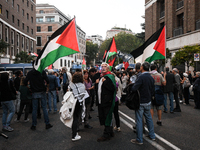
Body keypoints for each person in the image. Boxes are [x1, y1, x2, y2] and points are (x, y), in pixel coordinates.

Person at [131, 62, 155, 145]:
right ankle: (152, 135)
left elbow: (134, 88)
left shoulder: (141, 77)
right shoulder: (151, 77)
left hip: (140, 101)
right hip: (148, 101)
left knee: (139, 120)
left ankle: (139, 139)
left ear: (142, 67)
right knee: (149, 119)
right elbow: (152, 90)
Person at [24, 66, 53, 131]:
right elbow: (47, 81)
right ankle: (47, 124)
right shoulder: (42, 71)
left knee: (35, 109)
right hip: (42, 91)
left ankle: (34, 125)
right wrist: (47, 88)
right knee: (44, 108)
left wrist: (29, 87)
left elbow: (25, 81)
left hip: (34, 92)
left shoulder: (30, 73)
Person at [97, 63, 116, 142]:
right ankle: (110, 131)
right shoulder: (103, 77)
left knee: (107, 117)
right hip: (102, 101)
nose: (103, 68)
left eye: (105, 67)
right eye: (102, 67)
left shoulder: (109, 77)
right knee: (106, 116)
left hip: (107, 101)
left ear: (108, 68)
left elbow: (112, 88)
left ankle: (106, 134)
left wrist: (104, 82)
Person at [68, 72, 89, 141]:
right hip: (79, 102)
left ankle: (74, 132)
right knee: (76, 118)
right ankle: (74, 135)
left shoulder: (71, 84)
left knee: (73, 117)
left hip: (72, 102)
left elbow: (68, 91)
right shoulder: (82, 85)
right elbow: (83, 95)